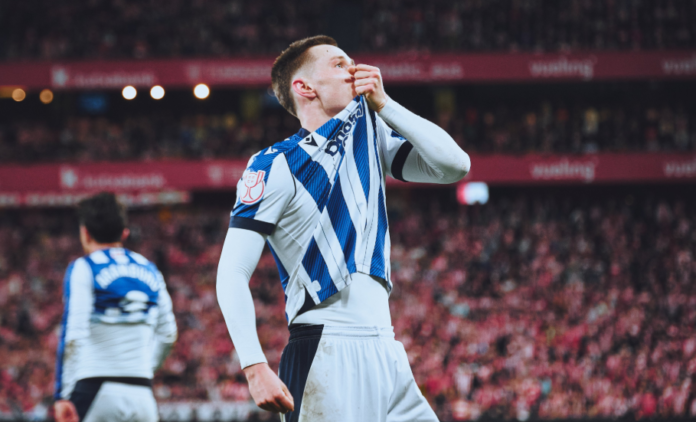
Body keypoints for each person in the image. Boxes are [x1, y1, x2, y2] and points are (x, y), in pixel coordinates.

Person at [216, 35, 470, 421]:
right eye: (338, 64)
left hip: (387, 349)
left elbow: (455, 166)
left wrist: (386, 104)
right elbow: (232, 272)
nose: (354, 70)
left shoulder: (372, 136)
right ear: (305, 87)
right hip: (325, 348)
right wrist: (253, 366)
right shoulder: (275, 164)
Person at [54, 192, 178, 422]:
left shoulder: (84, 267)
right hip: (142, 395)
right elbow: (168, 333)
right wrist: (143, 370)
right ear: (124, 233)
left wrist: (63, 395)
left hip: (94, 389)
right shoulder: (150, 269)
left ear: (85, 232)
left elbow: (74, 334)